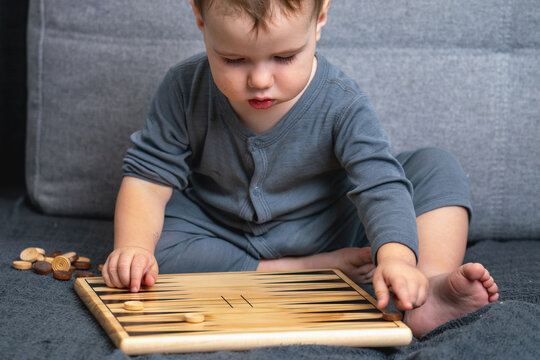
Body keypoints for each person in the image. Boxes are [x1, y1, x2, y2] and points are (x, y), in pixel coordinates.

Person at [102, 0, 499, 338]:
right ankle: (300, 270)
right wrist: (135, 248)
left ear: (320, 18)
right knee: (153, 241)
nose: (260, 80)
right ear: (200, 20)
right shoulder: (183, 88)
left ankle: (421, 292)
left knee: (435, 168)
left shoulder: (341, 102)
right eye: (234, 59)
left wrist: (396, 258)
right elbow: (149, 181)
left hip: (330, 225)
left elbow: (379, 184)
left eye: (284, 57)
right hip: (220, 228)